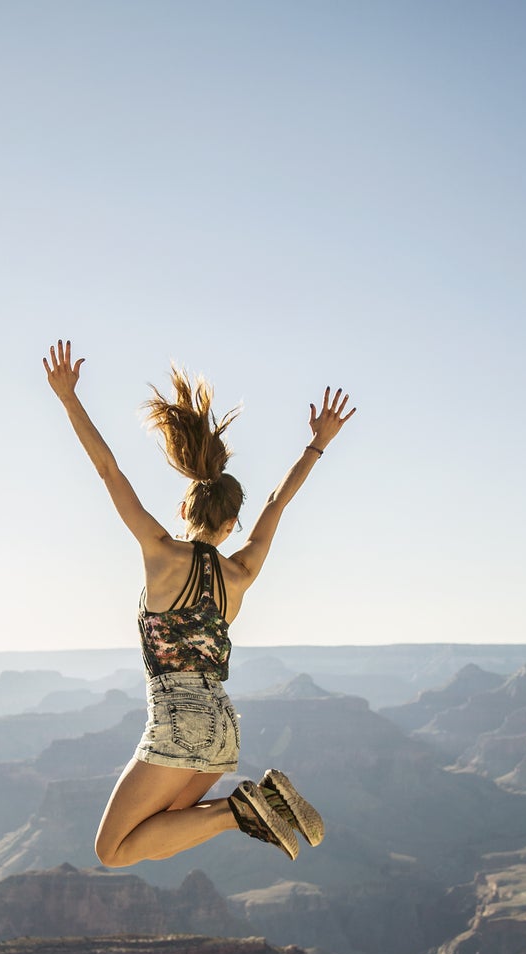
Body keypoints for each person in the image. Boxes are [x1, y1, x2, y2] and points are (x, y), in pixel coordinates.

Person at [42, 339, 355, 866]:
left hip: (176, 719)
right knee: (157, 832)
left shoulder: (160, 553)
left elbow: (109, 473)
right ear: (233, 524)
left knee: (111, 850)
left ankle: (240, 810)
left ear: (186, 502)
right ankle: (258, 801)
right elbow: (278, 502)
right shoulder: (242, 571)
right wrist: (318, 444)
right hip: (224, 728)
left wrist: (69, 399)